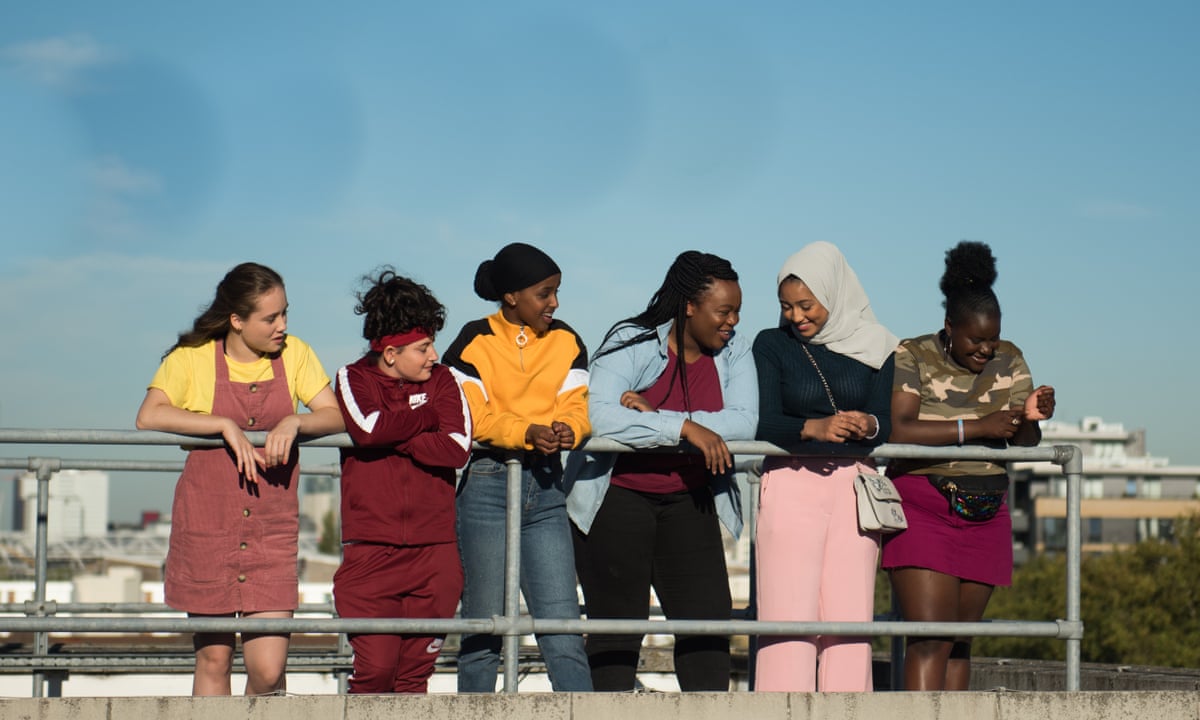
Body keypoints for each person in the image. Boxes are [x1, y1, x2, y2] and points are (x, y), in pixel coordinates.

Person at [134, 262, 343, 696]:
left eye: (285, 313)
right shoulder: (191, 359)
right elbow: (149, 415)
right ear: (237, 320)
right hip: (207, 528)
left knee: (268, 671)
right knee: (213, 659)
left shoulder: (296, 354)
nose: (282, 326)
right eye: (271, 318)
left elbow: (336, 413)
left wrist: (295, 422)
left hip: (272, 530)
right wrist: (223, 426)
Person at [565, 251, 758, 692]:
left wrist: (653, 416)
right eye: (723, 311)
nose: (731, 322)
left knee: (708, 630)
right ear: (689, 305)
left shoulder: (736, 350)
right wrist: (686, 427)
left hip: (691, 499)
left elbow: (744, 423)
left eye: (737, 312)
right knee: (616, 635)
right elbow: (599, 416)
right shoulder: (632, 340)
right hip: (618, 500)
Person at [882, 241, 1055, 691]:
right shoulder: (914, 353)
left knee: (961, 642)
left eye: (992, 339)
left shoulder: (1011, 358)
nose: (985, 350)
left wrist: (1031, 419)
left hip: (986, 509)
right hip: (924, 507)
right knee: (930, 641)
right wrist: (979, 426)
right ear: (949, 327)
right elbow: (900, 430)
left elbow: (1023, 440)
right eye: (976, 340)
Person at [441, 242, 593, 692]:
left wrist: (568, 428)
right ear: (511, 296)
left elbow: (576, 407)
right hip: (486, 485)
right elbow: (475, 419)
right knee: (483, 629)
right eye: (545, 293)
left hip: (547, 489)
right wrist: (526, 432)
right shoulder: (472, 340)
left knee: (563, 627)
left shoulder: (568, 340)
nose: (555, 303)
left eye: (557, 292)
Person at [750, 242, 897, 692]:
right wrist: (815, 428)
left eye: (806, 305)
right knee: (786, 623)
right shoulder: (771, 344)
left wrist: (867, 424)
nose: (796, 316)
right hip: (791, 482)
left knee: (850, 625)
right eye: (786, 306)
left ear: (835, 295)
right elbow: (761, 419)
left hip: (857, 490)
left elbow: (888, 423)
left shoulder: (883, 347)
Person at [331, 268, 471, 694]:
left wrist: (397, 434)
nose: (434, 356)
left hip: (436, 554)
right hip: (372, 556)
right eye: (424, 347)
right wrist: (424, 419)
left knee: (413, 679)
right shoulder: (352, 378)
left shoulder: (444, 379)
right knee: (375, 672)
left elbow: (457, 449)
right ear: (390, 353)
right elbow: (369, 429)